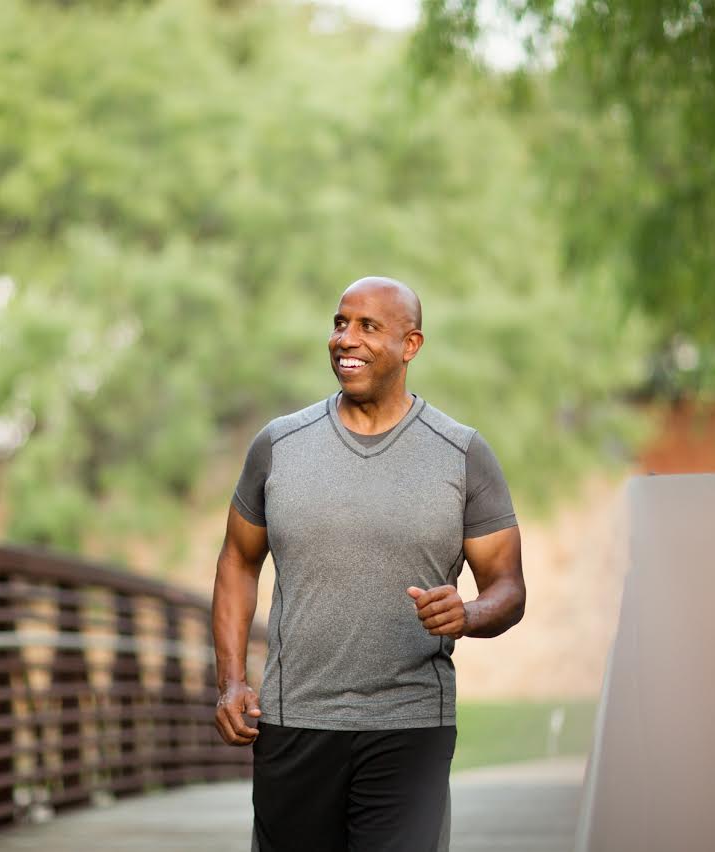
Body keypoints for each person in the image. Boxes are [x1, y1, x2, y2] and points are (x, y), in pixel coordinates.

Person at [211, 276, 526, 852]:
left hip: (409, 724)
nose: (344, 339)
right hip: (294, 719)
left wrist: (470, 613)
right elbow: (237, 561)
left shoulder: (461, 454)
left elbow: (508, 588)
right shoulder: (279, 445)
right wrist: (231, 680)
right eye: (339, 323)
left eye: (367, 327)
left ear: (411, 345)